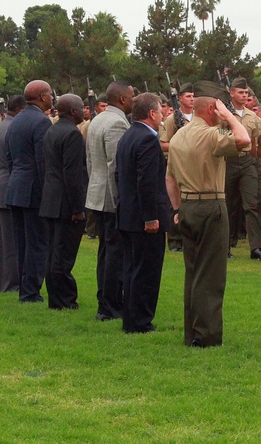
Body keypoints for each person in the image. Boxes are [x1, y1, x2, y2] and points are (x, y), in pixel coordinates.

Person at [165, 81, 250, 347]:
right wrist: (230, 117)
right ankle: (207, 335)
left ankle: (192, 332)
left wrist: (177, 208)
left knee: (193, 271)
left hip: (187, 205)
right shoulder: (211, 135)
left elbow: (169, 178)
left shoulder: (179, 135)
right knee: (211, 274)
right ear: (213, 108)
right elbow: (244, 140)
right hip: (211, 205)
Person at [116, 93, 171, 333]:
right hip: (143, 218)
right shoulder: (147, 139)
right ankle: (140, 321)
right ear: (151, 113)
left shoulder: (128, 135)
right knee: (146, 271)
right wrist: (150, 217)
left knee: (132, 268)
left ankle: (131, 318)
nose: (162, 115)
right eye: (160, 110)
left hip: (128, 213)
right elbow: (146, 182)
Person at [85, 81, 134, 322]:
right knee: (114, 253)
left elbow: (90, 161)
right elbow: (116, 167)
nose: (134, 101)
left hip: (97, 193)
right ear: (122, 99)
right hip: (110, 198)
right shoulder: (117, 123)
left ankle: (105, 300)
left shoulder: (98, 119)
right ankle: (111, 305)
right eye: (132, 97)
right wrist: (120, 202)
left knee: (106, 251)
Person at [5, 81, 54, 303]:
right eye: (50, 94)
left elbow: (9, 156)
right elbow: (42, 161)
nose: (52, 98)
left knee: (22, 243)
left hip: (16, 186)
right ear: (42, 97)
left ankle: (24, 286)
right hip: (33, 189)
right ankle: (31, 291)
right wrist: (47, 192)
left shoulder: (16, 120)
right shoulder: (41, 121)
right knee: (37, 242)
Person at [39, 94, 89, 310]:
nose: (84, 111)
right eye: (81, 108)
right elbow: (73, 174)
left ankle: (56, 297)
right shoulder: (72, 135)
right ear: (73, 112)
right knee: (63, 255)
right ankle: (64, 300)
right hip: (65, 204)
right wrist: (78, 208)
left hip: (51, 199)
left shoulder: (52, 131)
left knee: (53, 253)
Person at [225, 77, 261, 260]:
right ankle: (225, 245)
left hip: (247, 162)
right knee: (228, 206)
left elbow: (259, 143)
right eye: (240, 92)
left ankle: (257, 247)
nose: (244, 95)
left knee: (252, 204)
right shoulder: (223, 115)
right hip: (228, 160)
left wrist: (256, 163)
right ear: (232, 93)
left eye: (246, 92)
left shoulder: (253, 118)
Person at [0, 95, 24, 293]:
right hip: (9, 187)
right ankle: (11, 284)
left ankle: (4, 282)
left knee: (2, 243)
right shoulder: (13, 129)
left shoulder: (0, 127)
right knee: (11, 241)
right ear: (20, 110)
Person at [159, 83, 194, 252]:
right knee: (175, 202)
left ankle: (189, 237)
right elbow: (163, 143)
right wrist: (182, 146)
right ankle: (174, 240)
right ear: (180, 98)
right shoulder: (172, 119)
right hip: (177, 164)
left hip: (194, 165)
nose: (192, 99)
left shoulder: (198, 118)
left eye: (193, 96)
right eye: (188, 96)